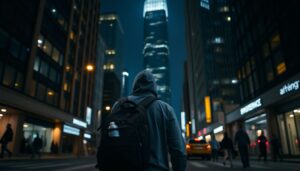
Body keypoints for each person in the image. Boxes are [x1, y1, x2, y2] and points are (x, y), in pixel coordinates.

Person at [111, 70, 187, 171]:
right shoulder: (165, 109)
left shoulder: (118, 105)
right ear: (154, 87)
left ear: (135, 85)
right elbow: (178, 150)